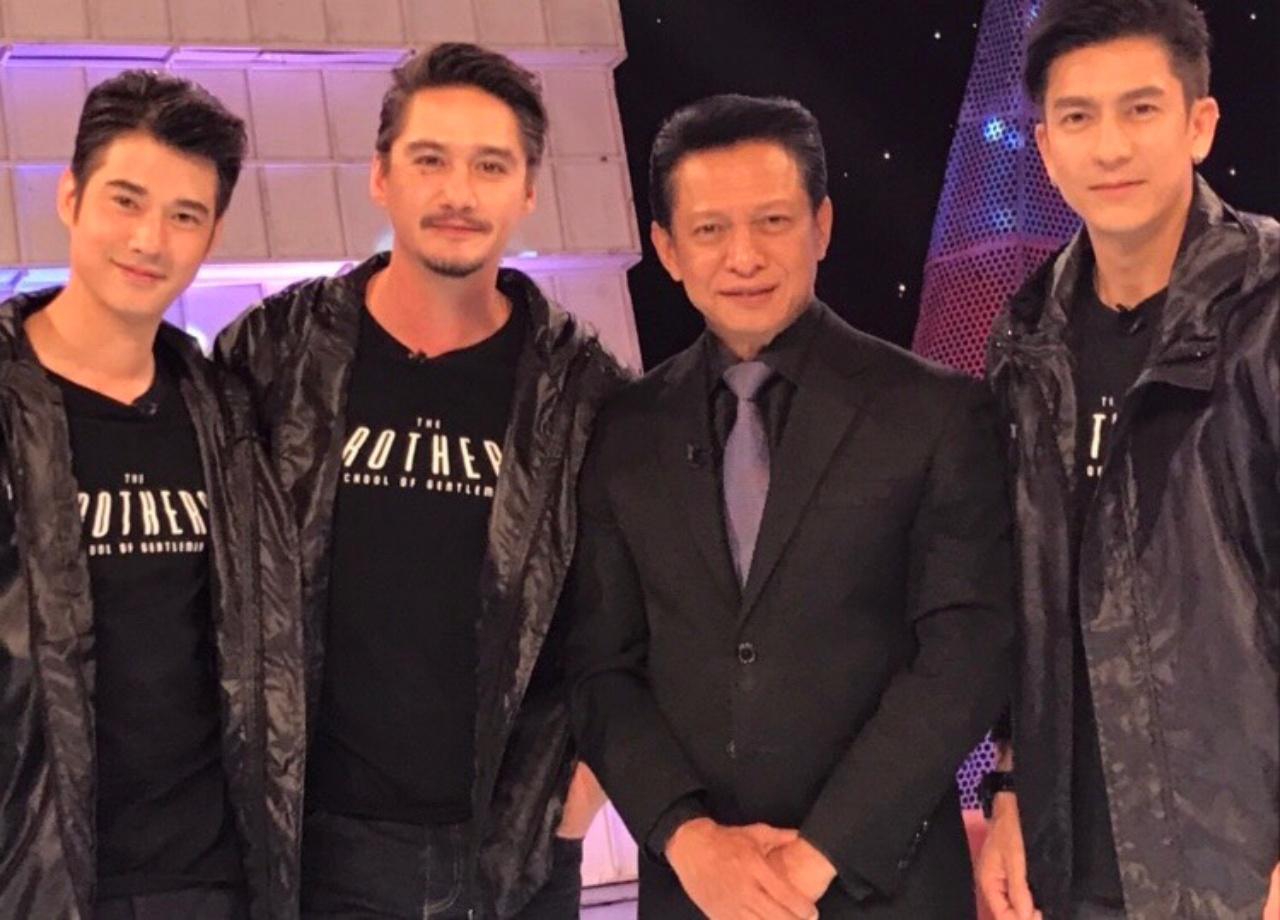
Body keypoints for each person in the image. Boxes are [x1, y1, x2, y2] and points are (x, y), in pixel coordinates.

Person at [566, 92, 1014, 919]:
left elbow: (964, 655)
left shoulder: (936, 413)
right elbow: (600, 667)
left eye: (773, 221)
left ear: (822, 226)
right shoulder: (623, 431)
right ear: (667, 249)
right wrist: (689, 840)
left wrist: (815, 859)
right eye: (710, 229)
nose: (744, 256)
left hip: (888, 889)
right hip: (698, 892)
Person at [216, 42, 624, 920]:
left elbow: (636, 608)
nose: (457, 192)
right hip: (319, 854)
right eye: (430, 159)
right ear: (381, 176)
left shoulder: (584, 392)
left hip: (511, 856)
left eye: (490, 165)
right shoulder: (272, 356)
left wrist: (583, 787)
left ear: (527, 189)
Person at [976, 2, 1280, 918]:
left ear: (1200, 123)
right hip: (1075, 867)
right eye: (1078, 117)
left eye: (1141, 109)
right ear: (1045, 146)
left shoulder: (1266, 309)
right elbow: (1021, 593)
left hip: (1242, 864)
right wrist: (1010, 783)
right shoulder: (1024, 341)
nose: (1110, 147)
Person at [0, 70, 304, 920]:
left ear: (211, 236)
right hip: (36, 879)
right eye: (126, 201)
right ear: (71, 197)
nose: (149, 240)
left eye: (184, 216)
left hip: (209, 877)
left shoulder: (228, 415)